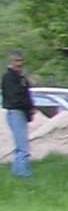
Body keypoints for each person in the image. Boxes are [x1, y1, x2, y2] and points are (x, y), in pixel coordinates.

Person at [4, 50, 34, 178]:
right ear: (10, 62)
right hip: (16, 112)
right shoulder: (9, 77)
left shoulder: (20, 77)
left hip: (20, 112)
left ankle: (17, 174)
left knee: (20, 146)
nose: (19, 64)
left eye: (21, 61)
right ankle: (24, 175)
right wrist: (28, 106)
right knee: (23, 148)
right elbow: (15, 97)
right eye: (16, 61)